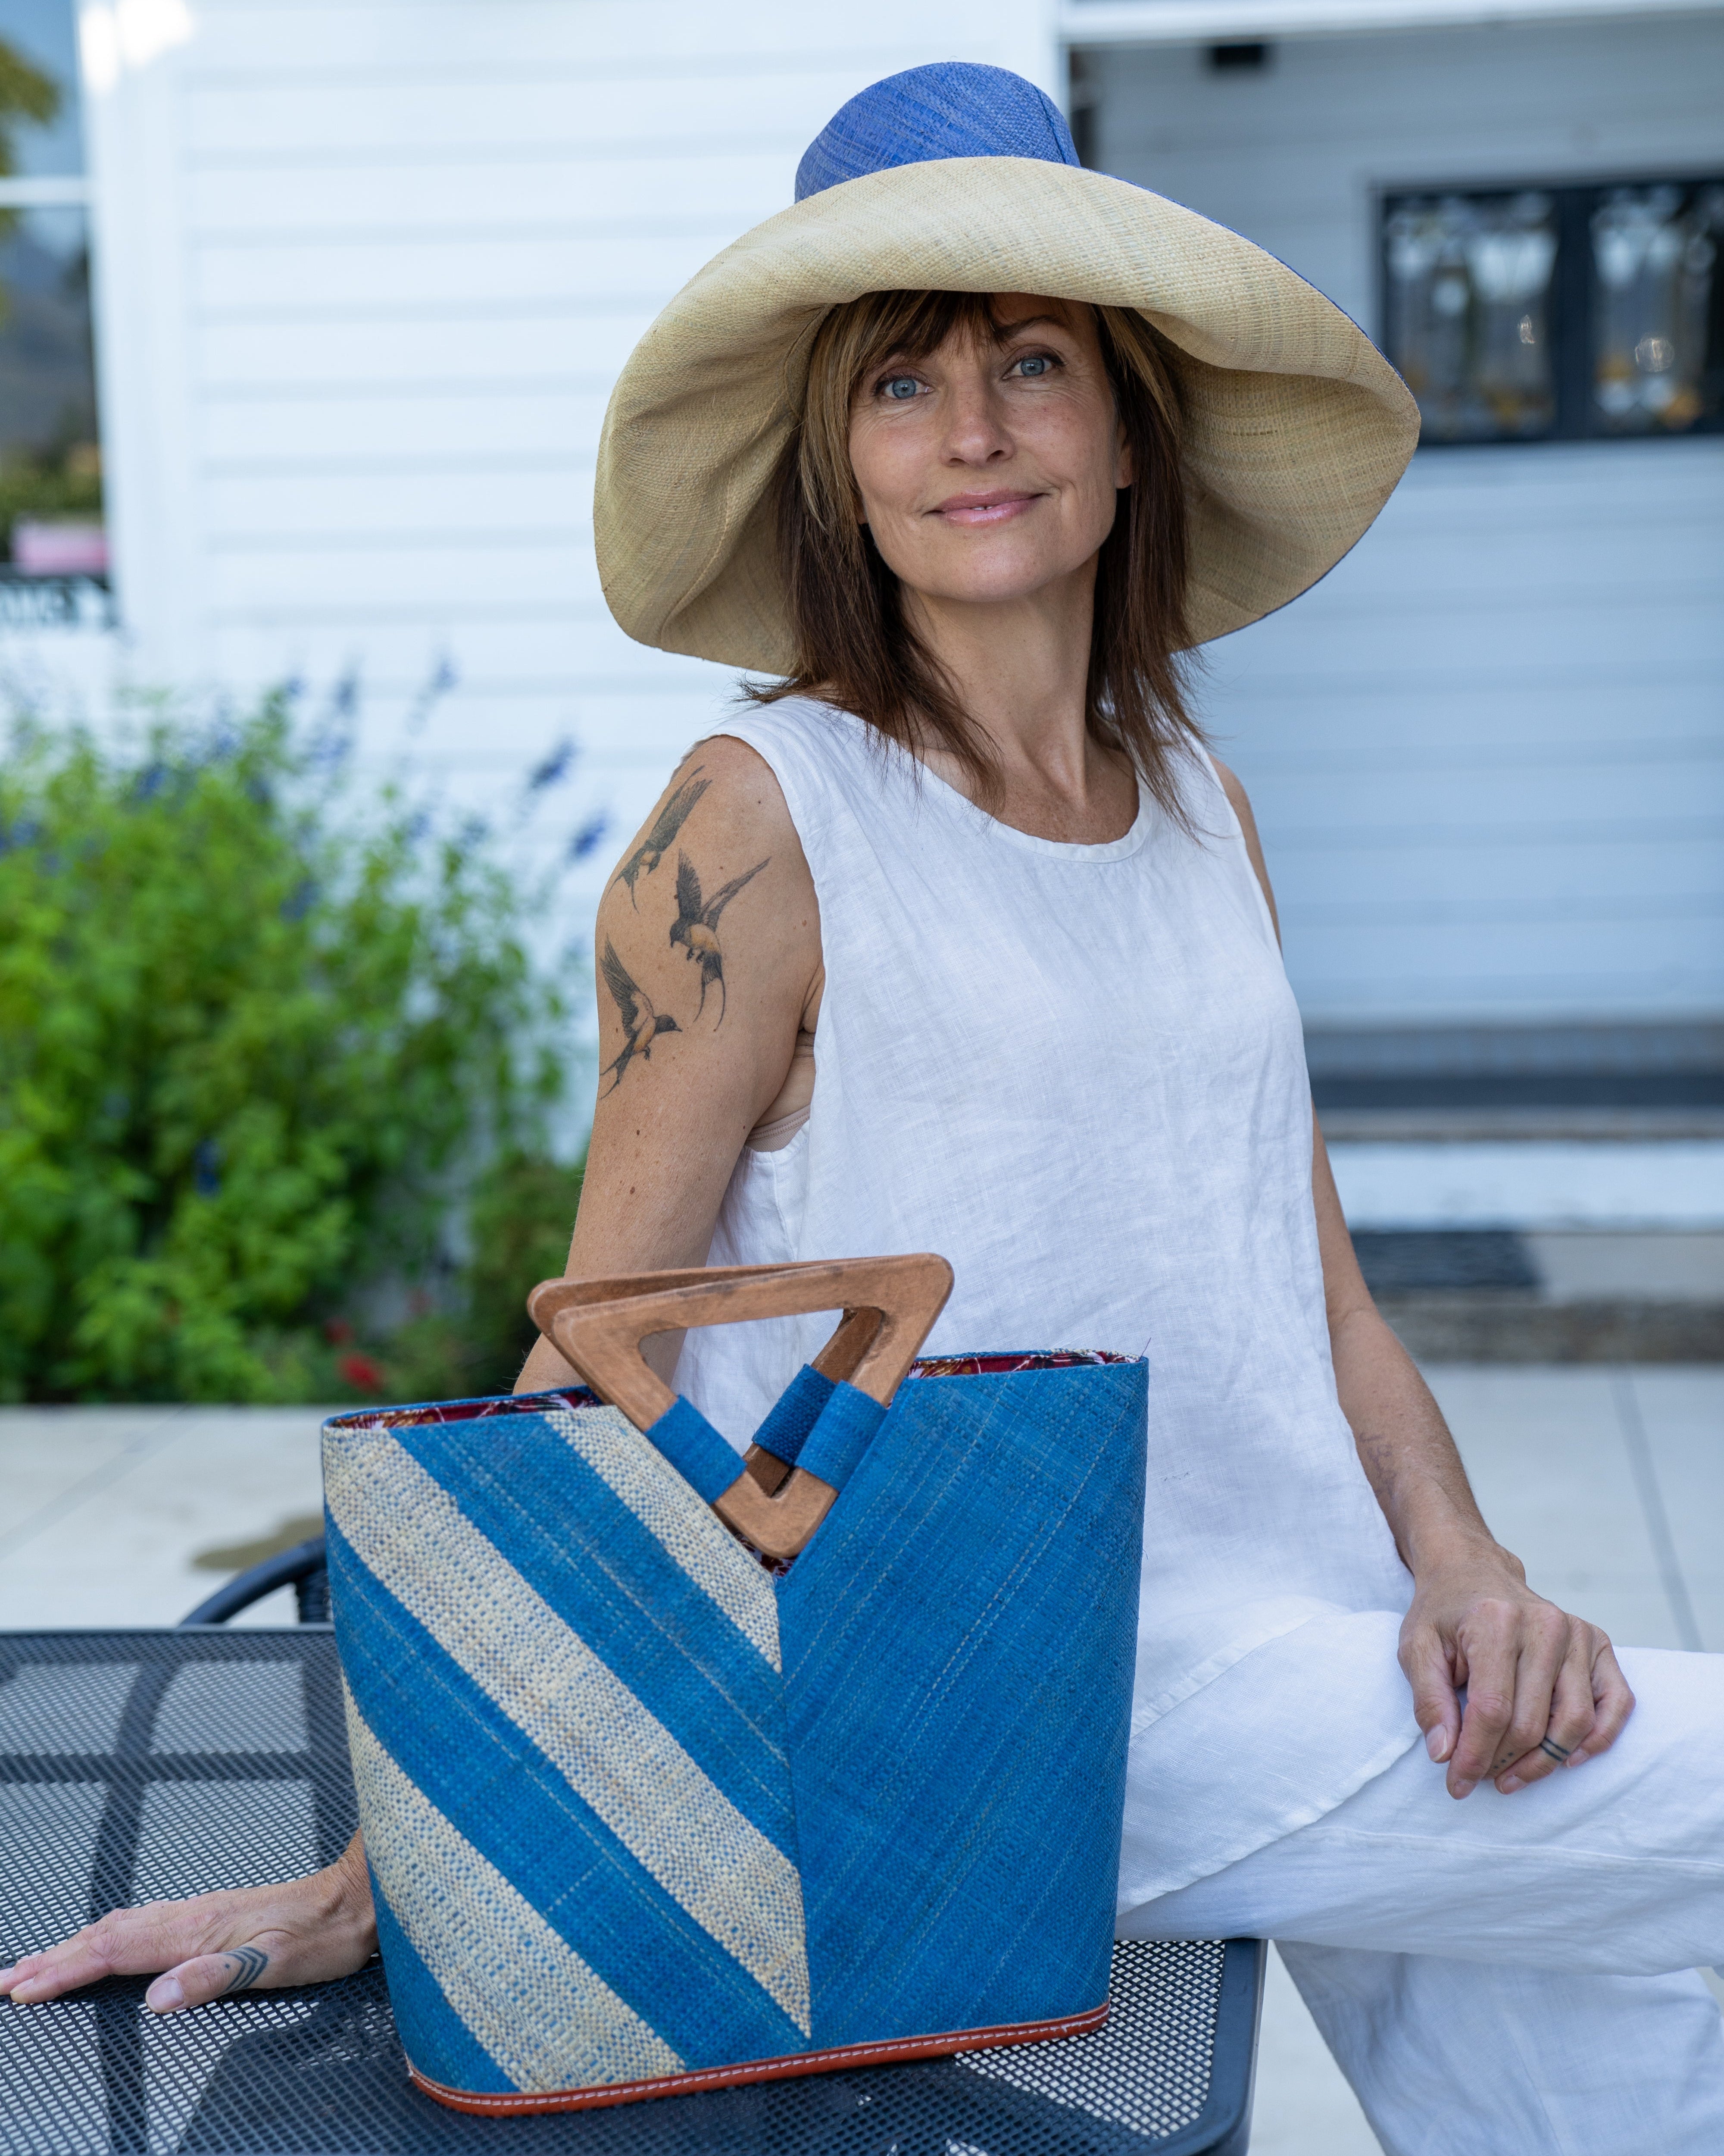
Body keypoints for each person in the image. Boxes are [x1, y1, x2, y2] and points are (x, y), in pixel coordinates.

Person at [6, 63, 1721, 2155]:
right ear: (837, 467)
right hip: (973, 1718)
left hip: (1334, 1669)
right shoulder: (756, 823)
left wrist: (1467, 1565)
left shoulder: (1206, 811)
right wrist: (422, 1863)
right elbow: (600, 1357)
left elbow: (1321, 1299)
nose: (972, 430)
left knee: (1620, 2075)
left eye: (1030, 363)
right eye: (901, 386)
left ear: (1128, 430)